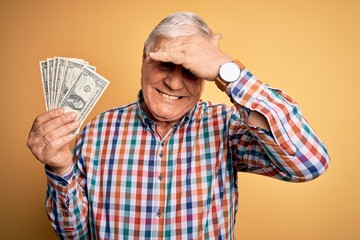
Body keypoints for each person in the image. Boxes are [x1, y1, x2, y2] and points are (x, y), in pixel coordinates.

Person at [27, 12, 330, 239]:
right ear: (144, 60)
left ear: (205, 76)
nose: (173, 82)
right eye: (164, 65)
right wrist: (60, 168)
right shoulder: (97, 131)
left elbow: (309, 164)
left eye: (189, 70)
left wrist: (230, 73)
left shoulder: (225, 127)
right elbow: (73, 235)